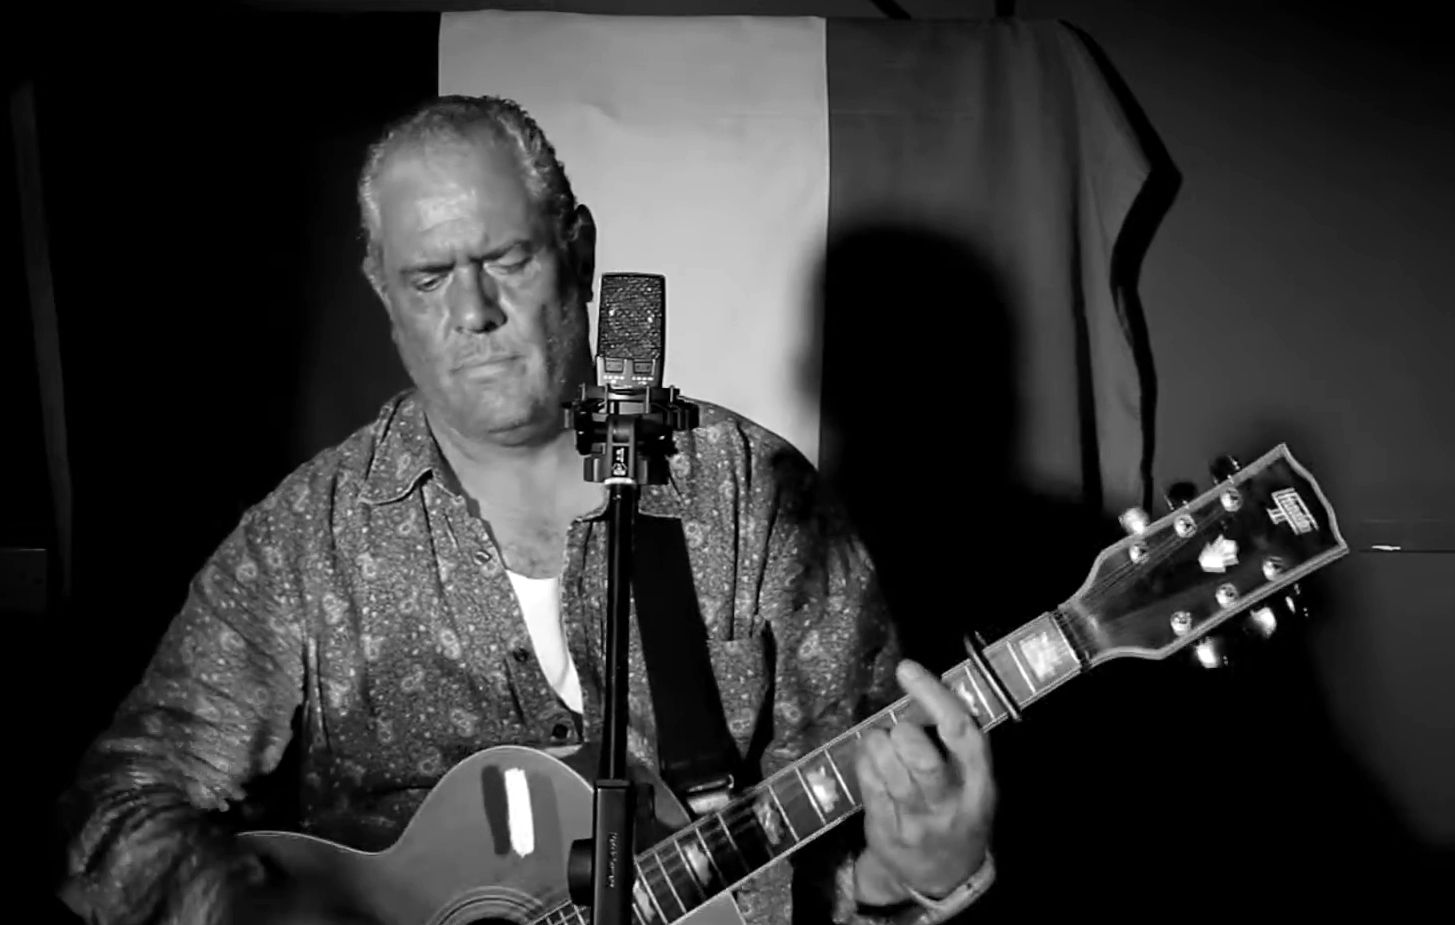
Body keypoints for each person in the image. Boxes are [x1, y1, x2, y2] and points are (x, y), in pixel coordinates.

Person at [53, 95, 997, 925]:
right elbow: (113, 807)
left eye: (505, 258)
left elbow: (846, 838)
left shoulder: (753, 494)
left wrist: (905, 875)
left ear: (577, 252)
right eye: (429, 278)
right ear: (384, 294)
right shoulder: (306, 538)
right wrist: (240, 906)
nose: (473, 311)